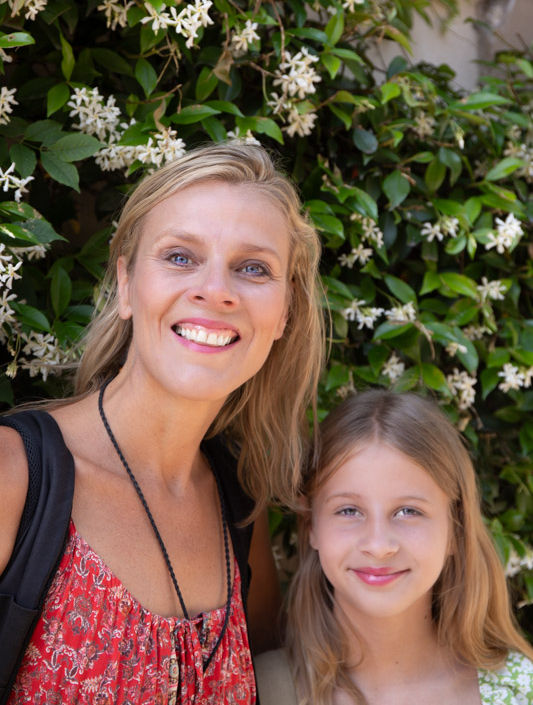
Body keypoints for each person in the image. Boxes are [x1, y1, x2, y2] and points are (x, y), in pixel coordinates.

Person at [0, 143, 325, 704]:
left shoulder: (239, 507)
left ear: (286, 313)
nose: (215, 290)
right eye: (180, 257)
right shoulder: (15, 476)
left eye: (253, 268)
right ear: (127, 285)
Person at [255, 389, 533, 705]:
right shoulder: (255, 690)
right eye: (349, 510)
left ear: (455, 529)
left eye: (408, 511)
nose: (378, 545)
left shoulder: (521, 689)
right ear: (310, 526)